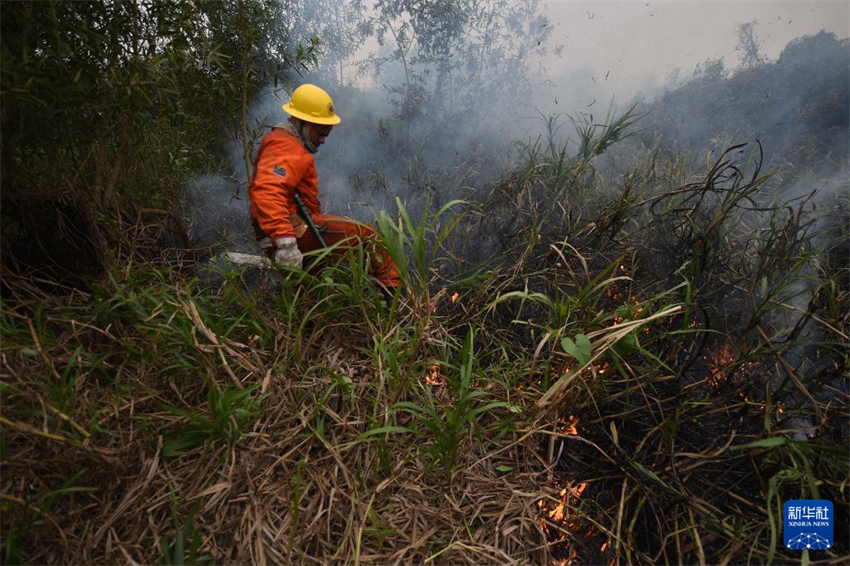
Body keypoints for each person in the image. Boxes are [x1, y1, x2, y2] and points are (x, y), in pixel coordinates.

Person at [248, 84, 400, 294]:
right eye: (319, 133)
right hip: (294, 231)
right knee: (369, 237)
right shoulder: (284, 146)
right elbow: (268, 192)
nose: (322, 140)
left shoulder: (285, 143)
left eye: (326, 134)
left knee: (312, 292)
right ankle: (395, 300)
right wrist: (286, 244)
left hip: (296, 228)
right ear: (301, 123)